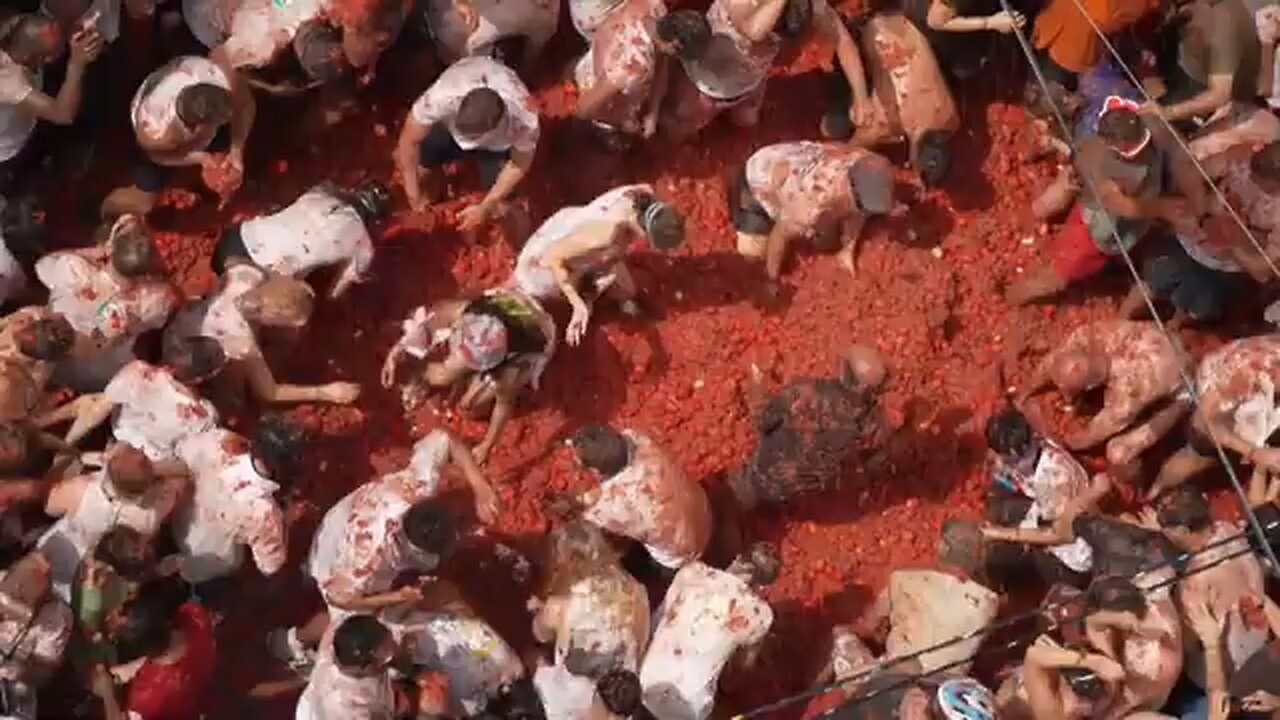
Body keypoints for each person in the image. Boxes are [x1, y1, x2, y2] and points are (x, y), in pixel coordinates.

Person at [270, 430, 492, 670]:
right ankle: (294, 641)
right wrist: (396, 598)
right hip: (334, 554)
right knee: (354, 626)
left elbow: (444, 438)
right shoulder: (369, 560)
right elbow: (340, 598)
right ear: (415, 547)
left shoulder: (416, 487)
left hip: (351, 516)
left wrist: (480, 487)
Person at [1008, 101, 1200, 305]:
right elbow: (1121, 205)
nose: (1143, 152)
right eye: (1133, 151)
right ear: (1112, 146)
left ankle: (1116, 265)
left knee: (1132, 246)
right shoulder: (1098, 163)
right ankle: (1012, 297)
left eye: (1144, 144)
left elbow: (1174, 143)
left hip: (1138, 221)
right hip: (1095, 229)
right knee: (1060, 273)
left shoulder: (1149, 125)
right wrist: (1163, 207)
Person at [381, 288, 557, 461]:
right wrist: (396, 351)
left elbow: (504, 405)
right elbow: (427, 320)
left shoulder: (508, 371)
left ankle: (474, 384)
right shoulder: (468, 312)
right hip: (508, 304)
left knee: (469, 407)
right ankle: (448, 376)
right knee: (444, 374)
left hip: (535, 335)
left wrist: (486, 446)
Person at [162, 256, 362, 407]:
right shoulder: (244, 344)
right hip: (186, 363)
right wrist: (326, 392)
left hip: (176, 332)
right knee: (237, 392)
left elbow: (233, 261)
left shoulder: (245, 275)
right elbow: (270, 393)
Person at [510, 184, 684, 344]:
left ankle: (595, 291)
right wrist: (577, 305)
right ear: (644, 229)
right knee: (529, 302)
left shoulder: (644, 192)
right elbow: (553, 257)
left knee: (627, 290)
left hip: (577, 229)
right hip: (543, 263)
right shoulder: (605, 236)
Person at [728, 346, 885, 512]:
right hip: (798, 491)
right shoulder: (872, 426)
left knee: (732, 495)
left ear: (843, 370)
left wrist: (756, 385)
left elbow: (764, 421)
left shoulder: (804, 395)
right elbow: (870, 463)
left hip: (764, 474)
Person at [394, 55, 539, 233]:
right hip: (448, 129)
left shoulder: (524, 119)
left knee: (502, 206)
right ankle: (433, 194)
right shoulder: (444, 96)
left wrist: (486, 206)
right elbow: (409, 139)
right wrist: (413, 195)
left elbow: (520, 163)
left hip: (497, 148)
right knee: (420, 170)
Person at [33, 216, 177, 392]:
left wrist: (90, 253)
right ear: (144, 275)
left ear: (111, 251)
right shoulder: (152, 299)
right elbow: (157, 317)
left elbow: (45, 263)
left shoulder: (72, 269)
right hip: (98, 367)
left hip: (53, 347)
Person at [730, 141, 897, 292]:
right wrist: (771, 279)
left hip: (787, 160)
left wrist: (847, 249)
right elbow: (779, 235)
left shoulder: (863, 161)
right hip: (755, 180)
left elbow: (859, 210)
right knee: (753, 253)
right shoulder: (809, 207)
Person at [639, 542, 780, 720]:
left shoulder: (692, 572)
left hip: (646, 679)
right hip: (691, 707)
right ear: (762, 585)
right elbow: (740, 670)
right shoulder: (759, 615)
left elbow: (660, 616)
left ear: (738, 557)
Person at [823, 11, 960, 188]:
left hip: (903, 20)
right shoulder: (888, 122)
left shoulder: (950, 117)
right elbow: (850, 152)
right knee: (835, 128)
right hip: (867, 27)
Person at [1150, 486, 1267, 689]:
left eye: (1164, 527)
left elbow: (1187, 643)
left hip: (1233, 668)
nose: (1161, 530)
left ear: (1183, 530)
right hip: (1260, 637)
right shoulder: (1226, 528)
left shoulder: (1195, 582)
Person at [37, 444, 189, 600]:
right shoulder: (149, 516)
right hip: (88, 576)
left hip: (57, 555)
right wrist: (153, 469)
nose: (143, 449)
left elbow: (49, 507)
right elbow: (182, 471)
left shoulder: (81, 489)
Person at [168, 417, 305, 589]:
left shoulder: (218, 440)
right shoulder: (264, 513)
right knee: (233, 562)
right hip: (207, 554)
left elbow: (180, 450)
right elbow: (269, 567)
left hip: (180, 520)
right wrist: (286, 521)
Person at [1018, 321, 1188, 459]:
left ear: (1090, 388)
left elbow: (1091, 436)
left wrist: (1059, 442)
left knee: (1118, 452)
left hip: (1183, 381)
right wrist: (1026, 393)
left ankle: (1182, 405)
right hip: (1163, 338)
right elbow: (1056, 359)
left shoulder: (1124, 398)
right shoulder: (1093, 334)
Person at [561, 424, 712, 578]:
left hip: (684, 555)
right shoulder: (640, 437)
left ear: (596, 471)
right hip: (704, 510)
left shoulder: (610, 506)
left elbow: (582, 512)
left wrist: (576, 501)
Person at [855, 520, 1000, 676]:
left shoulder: (903, 579)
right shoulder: (989, 603)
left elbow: (872, 629)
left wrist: (850, 630)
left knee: (842, 639)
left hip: (894, 680)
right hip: (946, 690)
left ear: (943, 548)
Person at [103, 55, 239, 217]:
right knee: (147, 194)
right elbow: (158, 157)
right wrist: (200, 158)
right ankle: (106, 206)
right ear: (198, 127)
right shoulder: (157, 133)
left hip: (189, 95)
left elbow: (246, 106)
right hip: (151, 145)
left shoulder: (216, 75)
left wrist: (238, 150)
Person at [983, 406, 1103, 584]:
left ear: (1015, 454)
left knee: (999, 561)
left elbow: (1062, 535)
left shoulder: (1049, 482)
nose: (996, 459)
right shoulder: (1039, 441)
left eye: (1000, 455)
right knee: (1000, 507)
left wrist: (1002, 533)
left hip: (1072, 559)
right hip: (1049, 510)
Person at [39, 347, 223, 461]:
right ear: (201, 378)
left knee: (98, 401)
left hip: (118, 434)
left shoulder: (139, 371)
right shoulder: (205, 416)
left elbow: (103, 405)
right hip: (145, 460)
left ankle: (51, 433)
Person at [1153, 334, 1280, 493]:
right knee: (1196, 454)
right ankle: (1155, 492)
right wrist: (1254, 453)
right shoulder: (1242, 371)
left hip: (1257, 394)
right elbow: (1202, 424)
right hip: (1214, 407)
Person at [208, 179, 389, 290]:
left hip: (232, 244)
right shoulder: (364, 246)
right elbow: (337, 289)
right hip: (260, 275)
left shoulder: (318, 193)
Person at [379, 585, 525, 717]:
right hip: (496, 657)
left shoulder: (390, 629)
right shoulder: (461, 700)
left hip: (463, 612)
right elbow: (506, 675)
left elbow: (436, 592)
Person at [573, 7, 711, 146]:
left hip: (595, 62)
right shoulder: (633, 71)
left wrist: (653, 111)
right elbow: (582, 109)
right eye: (680, 55)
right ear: (675, 44)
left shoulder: (654, 8)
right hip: (597, 94)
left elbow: (663, 57)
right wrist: (623, 123)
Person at [530, 522, 650, 677]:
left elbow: (540, 633)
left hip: (584, 693)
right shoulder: (637, 588)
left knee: (533, 658)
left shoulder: (562, 603)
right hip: (626, 684)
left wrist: (540, 609)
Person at [0, 13, 104, 193]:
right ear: (32, 57)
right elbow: (63, 115)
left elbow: (52, 30)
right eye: (53, 53)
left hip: (28, 124)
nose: (60, 53)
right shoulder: (8, 81)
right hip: (9, 152)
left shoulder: (18, 38)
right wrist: (76, 64)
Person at [89, 578, 217, 720]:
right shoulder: (195, 616)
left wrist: (106, 693)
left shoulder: (148, 696)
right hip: (201, 685)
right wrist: (133, 667)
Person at [1151, 0, 1261, 126]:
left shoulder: (1223, 23)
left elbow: (1220, 95)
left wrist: (1167, 113)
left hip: (1224, 105)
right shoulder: (1186, 9)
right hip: (1186, 75)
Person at [0, 550, 74, 720]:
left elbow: (44, 673)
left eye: (23, 599)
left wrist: (21, 671)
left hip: (12, 693)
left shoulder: (57, 618)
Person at [294, 614, 399, 720]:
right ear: (364, 668)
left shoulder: (341, 633)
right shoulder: (352, 707)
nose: (395, 650)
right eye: (388, 657)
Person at [422, 0, 560, 70]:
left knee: (544, 23)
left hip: (523, 10)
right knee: (453, 33)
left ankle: (527, 69)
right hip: (470, 12)